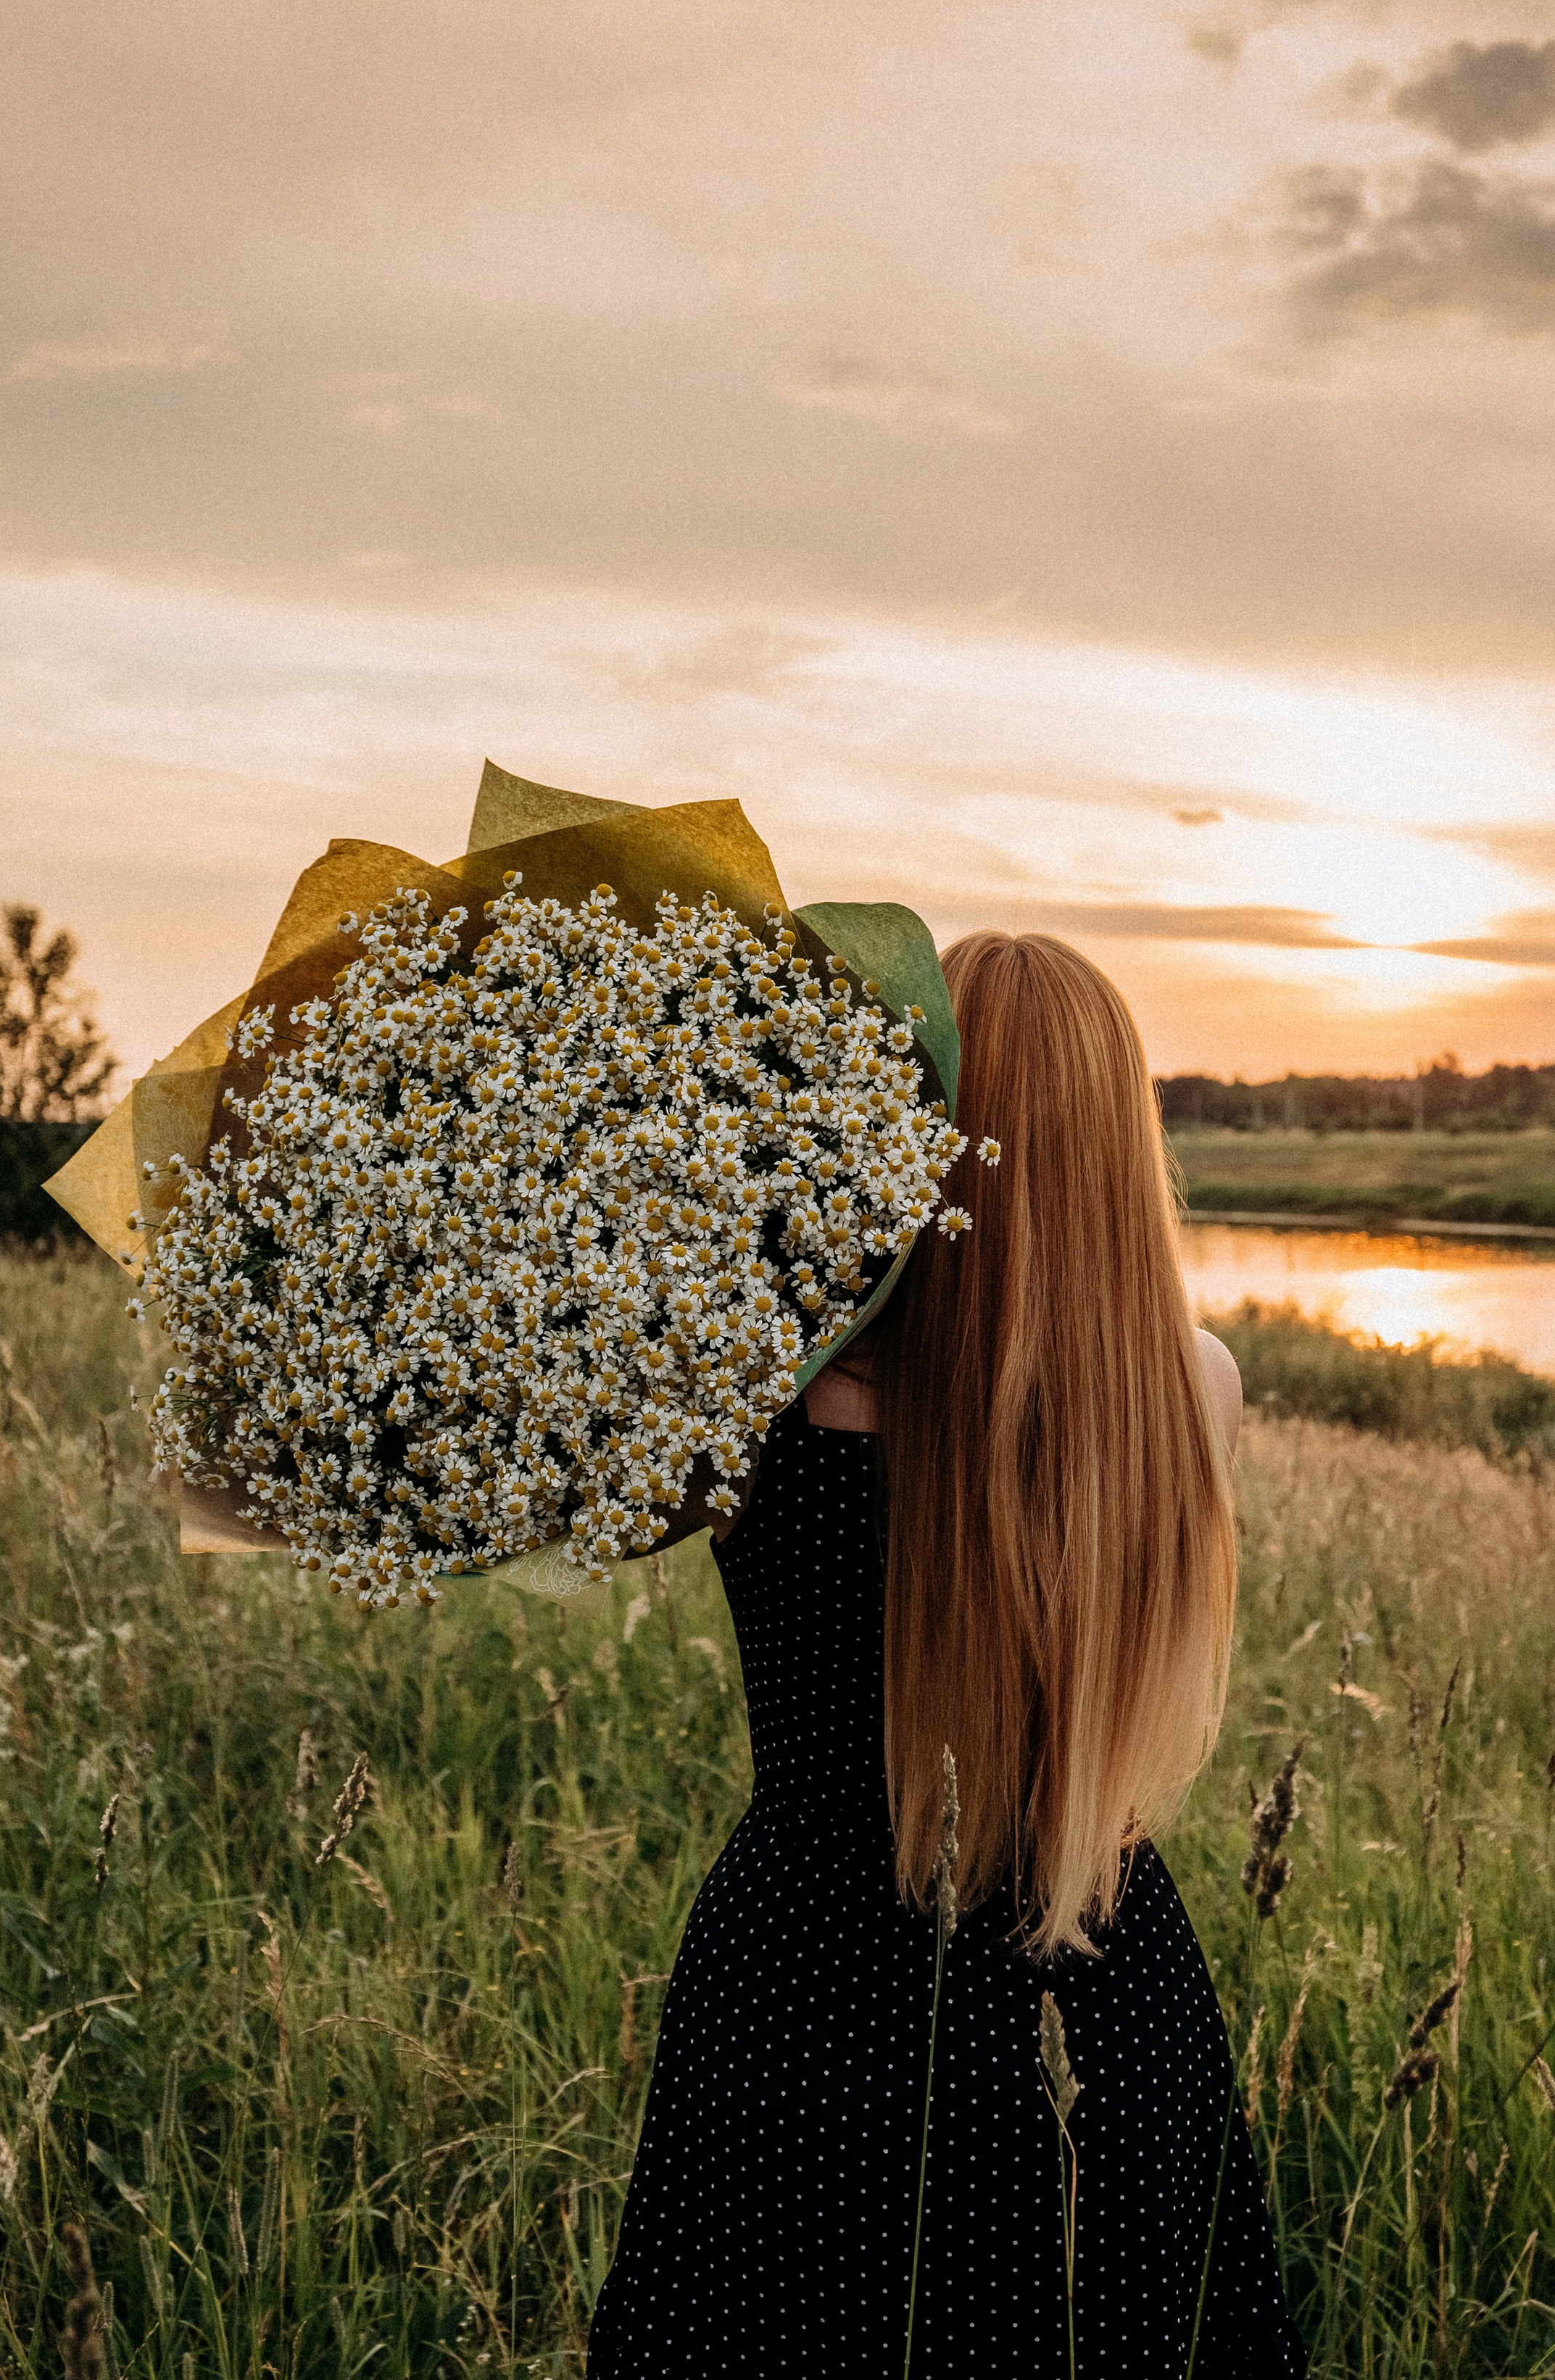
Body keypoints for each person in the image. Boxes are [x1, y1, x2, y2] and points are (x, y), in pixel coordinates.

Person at [585, 932, 1306, 2375]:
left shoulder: (761, 1382)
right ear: (1118, 1138)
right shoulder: (1194, 1388)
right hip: (1101, 1992)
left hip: (803, 1994)